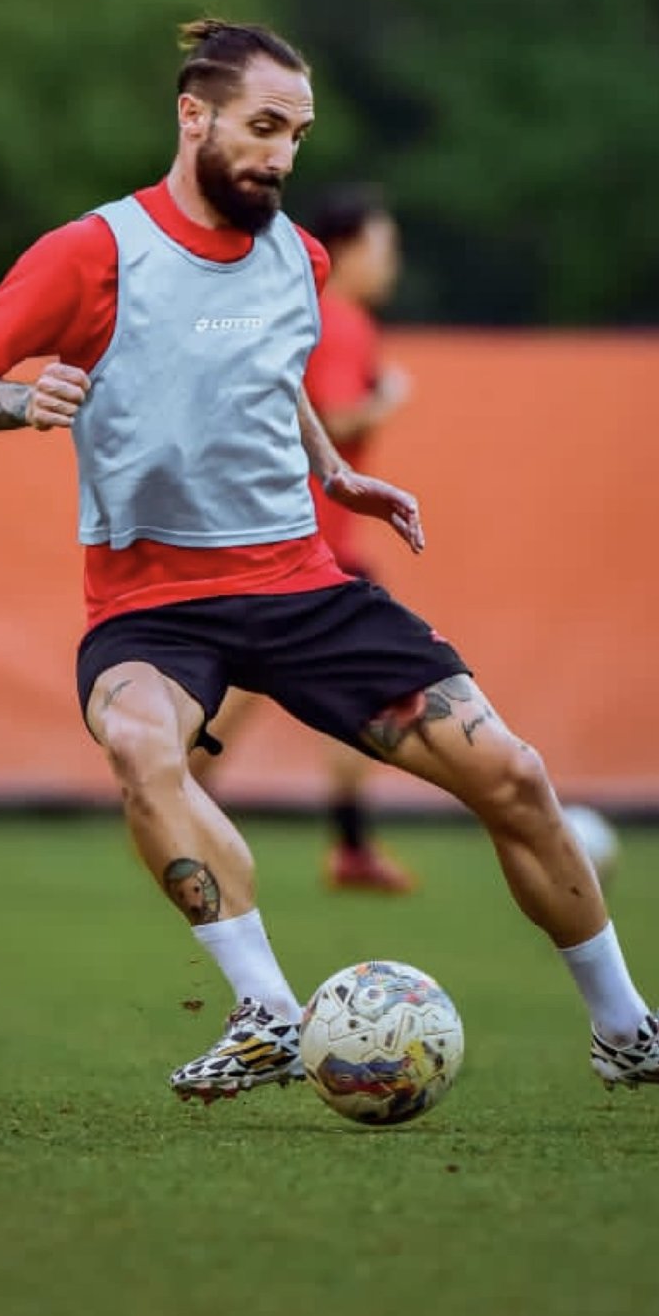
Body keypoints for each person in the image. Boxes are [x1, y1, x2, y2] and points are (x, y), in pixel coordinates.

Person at [0, 17, 659, 1110]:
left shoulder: (297, 257)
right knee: (138, 742)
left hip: (301, 585)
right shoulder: (91, 253)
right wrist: (21, 400)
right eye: (263, 128)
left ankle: (627, 1031)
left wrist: (335, 470)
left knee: (514, 775)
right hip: (154, 604)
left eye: (297, 136)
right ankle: (266, 1010)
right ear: (193, 116)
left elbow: (269, 379)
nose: (280, 156)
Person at [188, 185, 425, 894]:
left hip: (304, 538)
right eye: (385, 247)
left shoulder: (325, 314)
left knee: (276, 687)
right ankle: (169, 793)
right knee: (383, 680)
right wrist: (387, 397)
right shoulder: (341, 320)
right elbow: (334, 417)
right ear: (347, 250)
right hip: (311, 544)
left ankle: (172, 794)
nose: (393, 264)